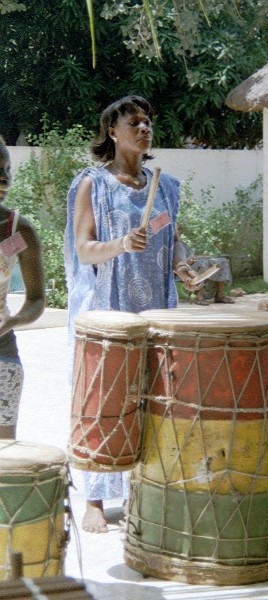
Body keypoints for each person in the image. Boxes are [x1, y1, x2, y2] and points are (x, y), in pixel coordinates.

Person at [64, 94, 199, 534]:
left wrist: (184, 265)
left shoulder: (167, 187)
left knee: (158, 396)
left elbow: (171, 239)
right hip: (109, 307)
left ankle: (148, 485)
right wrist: (121, 244)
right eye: (135, 122)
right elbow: (84, 251)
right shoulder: (93, 184)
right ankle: (96, 499)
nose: (145, 129)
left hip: (157, 307)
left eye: (148, 122)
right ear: (112, 131)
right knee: (104, 398)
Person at [0, 136, 46, 439]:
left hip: (2, 352)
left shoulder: (19, 229)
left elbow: (37, 299)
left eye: (7, 169)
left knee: (4, 456)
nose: (4, 178)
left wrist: (14, 320)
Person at [178, 234, 234, 305]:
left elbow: (193, 256)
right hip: (184, 268)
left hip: (193, 264)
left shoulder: (183, 244)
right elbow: (176, 263)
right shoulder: (170, 246)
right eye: (177, 229)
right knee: (203, 263)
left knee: (222, 261)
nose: (178, 232)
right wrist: (188, 261)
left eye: (179, 230)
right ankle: (200, 296)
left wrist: (196, 258)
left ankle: (219, 295)